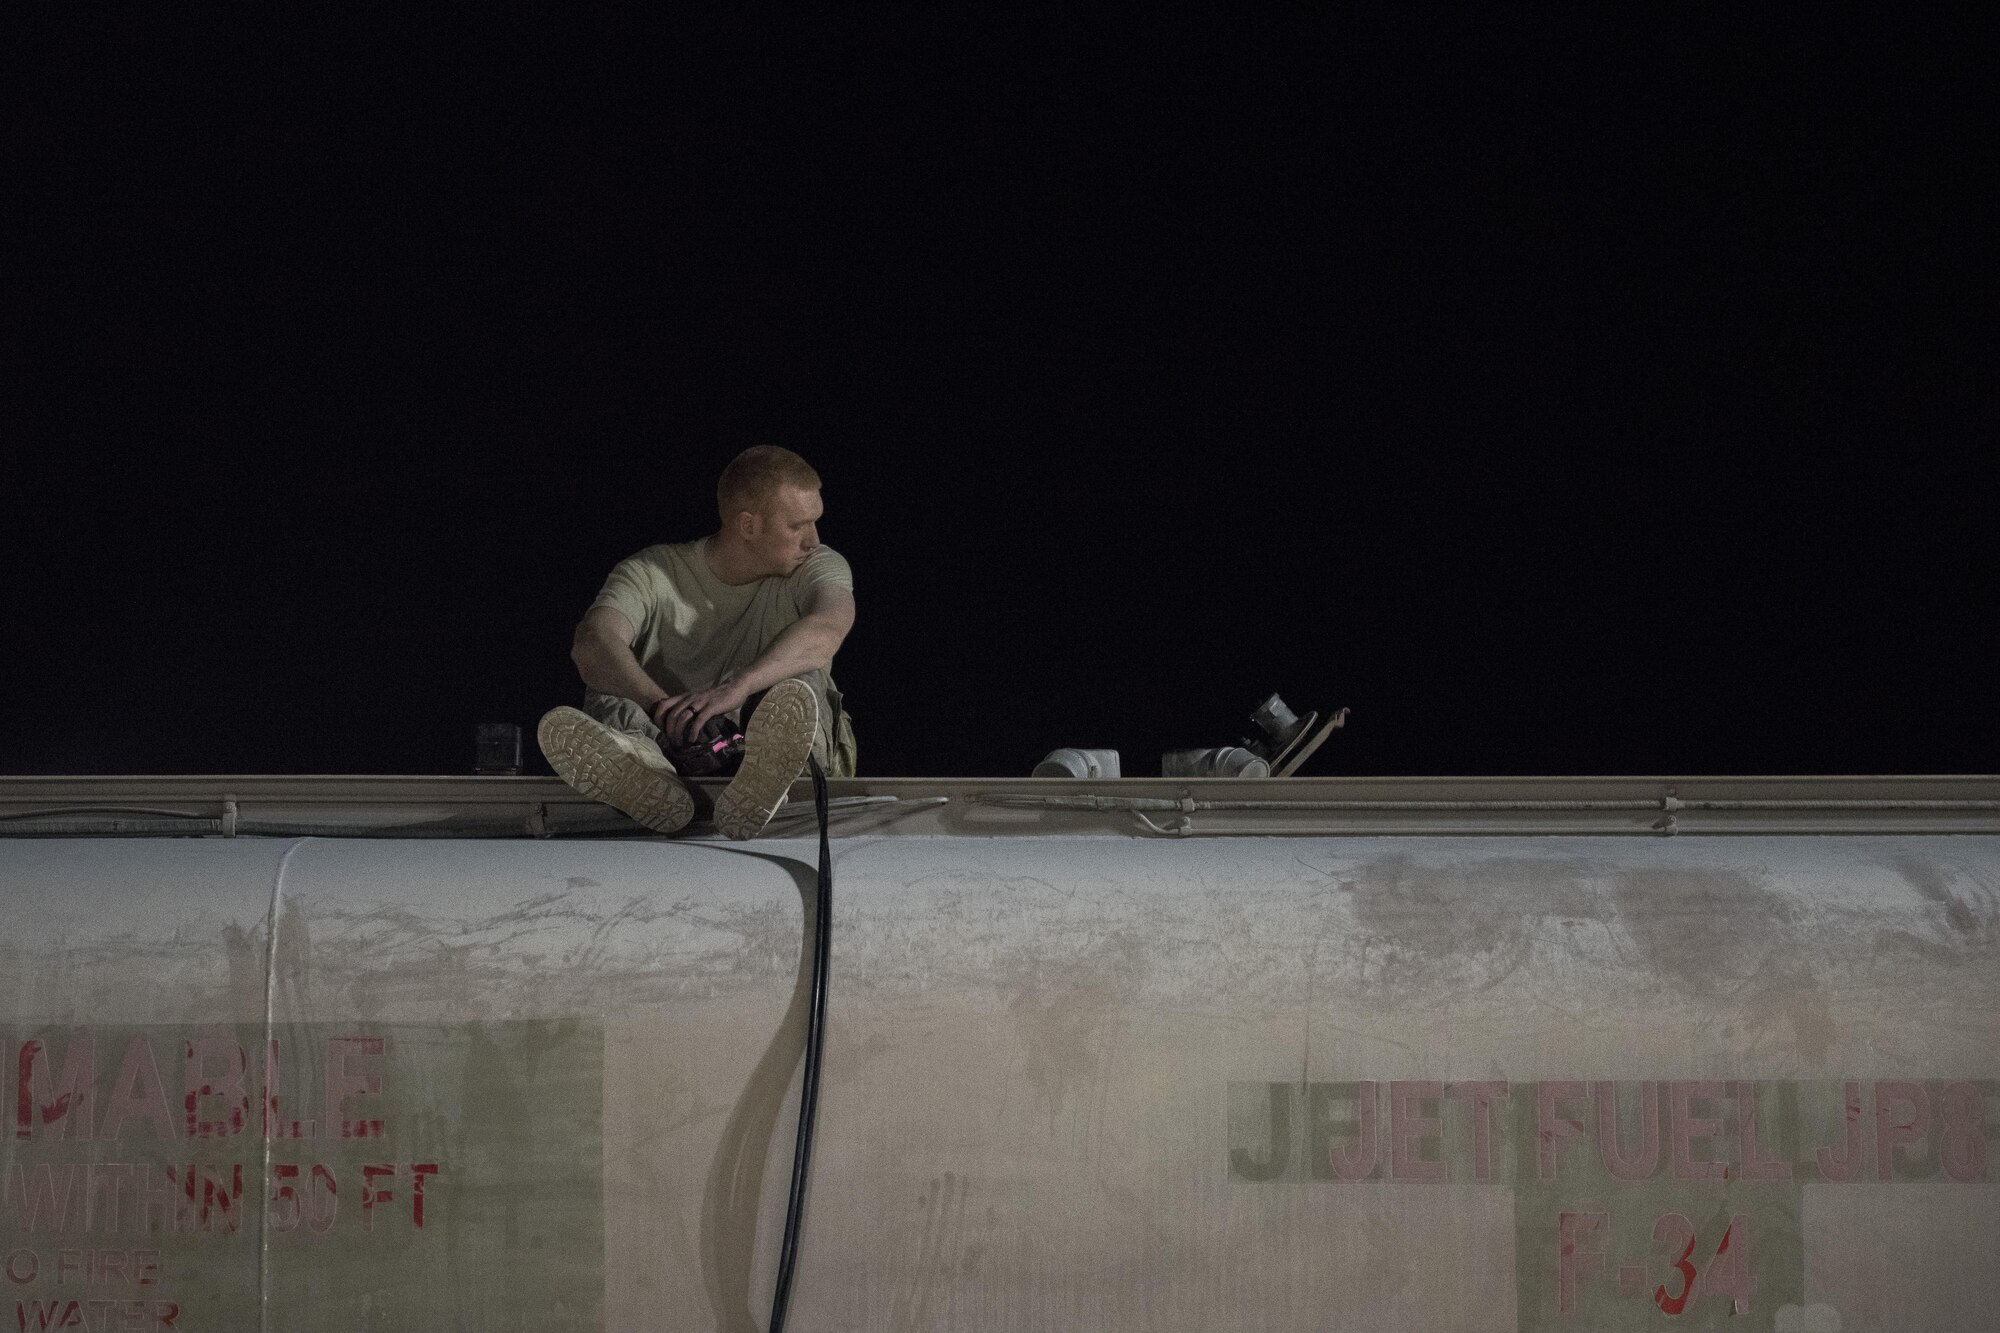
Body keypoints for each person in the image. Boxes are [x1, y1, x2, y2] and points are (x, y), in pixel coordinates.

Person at [538, 446, 857, 838]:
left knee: (805, 680)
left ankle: (769, 778)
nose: (813, 539)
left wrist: (738, 687)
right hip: (674, 747)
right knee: (611, 693)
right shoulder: (651, 571)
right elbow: (592, 642)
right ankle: (653, 778)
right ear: (748, 525)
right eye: (797, 526)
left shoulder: (818, 564)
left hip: (764, 742)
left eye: (815, 522)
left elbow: (827, 627)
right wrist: (659, 706)